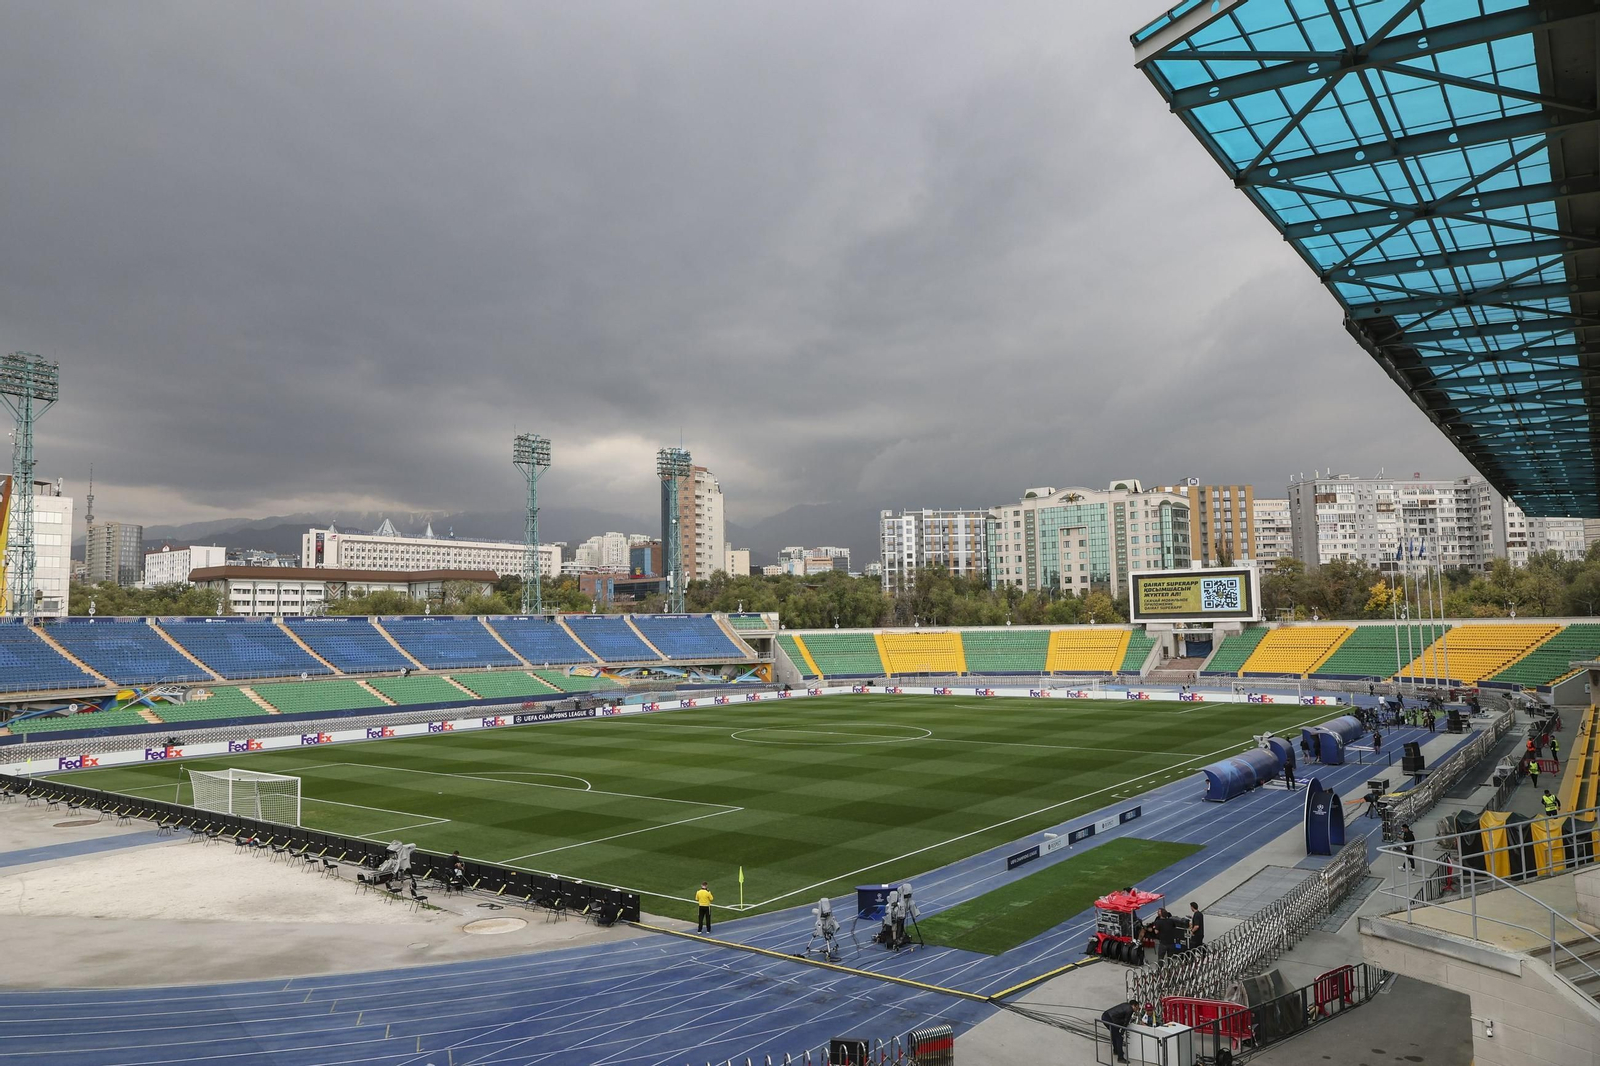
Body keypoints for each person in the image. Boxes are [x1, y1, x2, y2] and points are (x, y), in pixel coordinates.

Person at [1102, 998, 1138, 1063]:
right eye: (1137, 1008)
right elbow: (1126, 1022)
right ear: (1134, 1005)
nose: (1137, 1010)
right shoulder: (1130, 1010)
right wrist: (1122, 1032)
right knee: (1119, 1038)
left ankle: (1116, 1050)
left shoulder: (1126, 1005)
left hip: (1106, 1016)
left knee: (1114, 1034)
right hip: (1110, 1019)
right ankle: (1120, 1057)